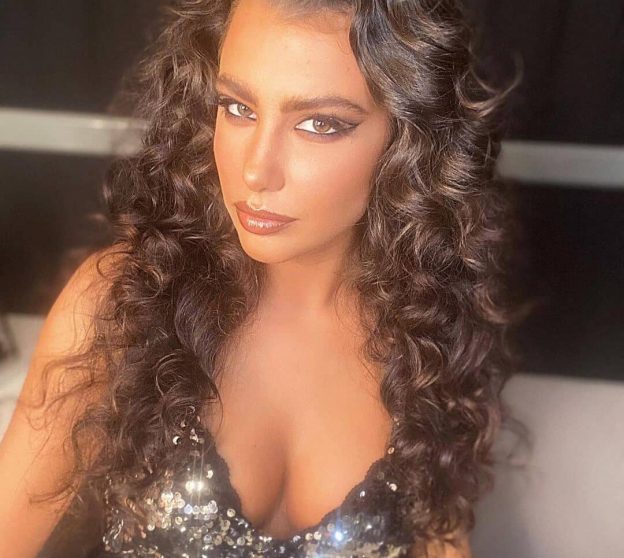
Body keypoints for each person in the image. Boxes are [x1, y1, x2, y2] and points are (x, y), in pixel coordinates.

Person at [0, 0, 523, 556]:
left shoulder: (427, 329)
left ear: (409, 140)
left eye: (320, 124)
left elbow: (443, 540)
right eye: (237, 107)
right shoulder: (123, 304)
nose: (255, 170)